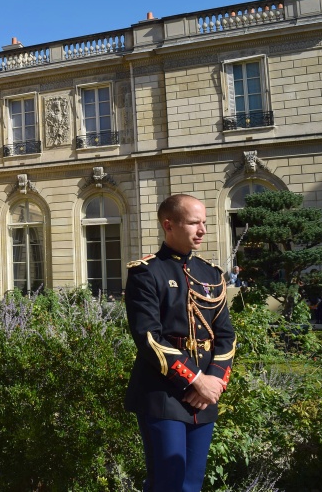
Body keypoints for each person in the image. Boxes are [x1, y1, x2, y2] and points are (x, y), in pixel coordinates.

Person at [124, 194, 236, 492]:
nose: (202, 230)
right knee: (167, 483)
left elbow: (226, 336)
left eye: (204, 222)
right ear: (169, 225)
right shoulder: (146, 272)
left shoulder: (211, 274)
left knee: (191, 484)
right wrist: (196, 380)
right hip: (163, 394)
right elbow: (149, 337)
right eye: (193, 223)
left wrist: (214, 382)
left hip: (204, 396)